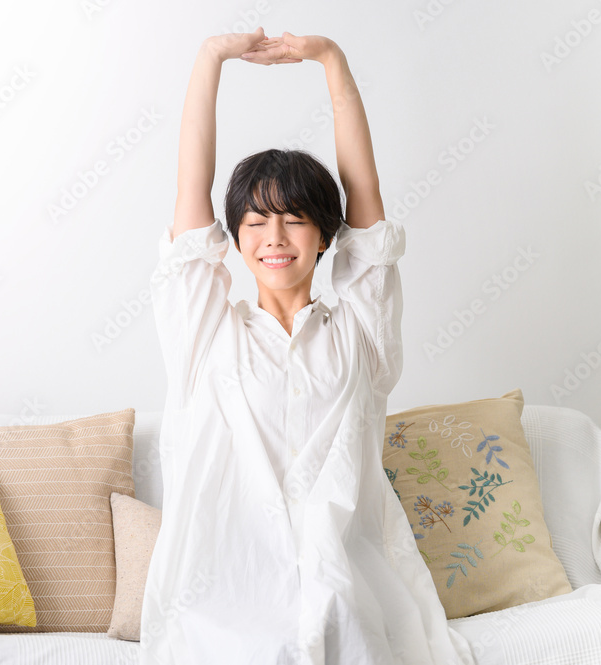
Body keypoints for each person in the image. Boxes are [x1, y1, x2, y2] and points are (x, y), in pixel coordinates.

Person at [139, 28, 477, 665]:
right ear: (234, 240)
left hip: (341, 580)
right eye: (255, 222)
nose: (275, 237)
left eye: (294, 219)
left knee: (341, 623)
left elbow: (367, 201)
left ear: (324, 236)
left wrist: (331, 61)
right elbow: (192, 190)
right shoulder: (206, 333)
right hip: (226, 588)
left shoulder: (360, 333)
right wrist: (210, 58)